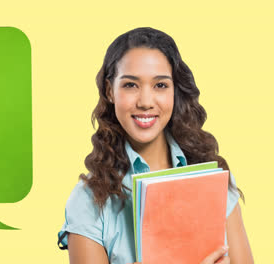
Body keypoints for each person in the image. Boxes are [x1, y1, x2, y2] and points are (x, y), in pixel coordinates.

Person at [56, 27, 254, 264]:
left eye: (160, 85)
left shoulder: (212, 177)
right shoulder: (89, 200)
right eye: (131, 85)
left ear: (175, 90)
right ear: (110, 91)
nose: (146, 102)